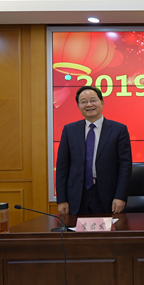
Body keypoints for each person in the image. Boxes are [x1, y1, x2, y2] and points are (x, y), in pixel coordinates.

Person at [56, 85, 132, 216]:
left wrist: (120, 196)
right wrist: (62, 199)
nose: (89, 105)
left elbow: (125, 166)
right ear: (78, 106)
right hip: (76, 195)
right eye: (83, 102)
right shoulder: (69, 130)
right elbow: (62, 167)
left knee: (108, 229)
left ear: (102, 102)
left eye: (93, 100)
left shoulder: (118, 130)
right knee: (76, 229)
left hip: (107, 195)